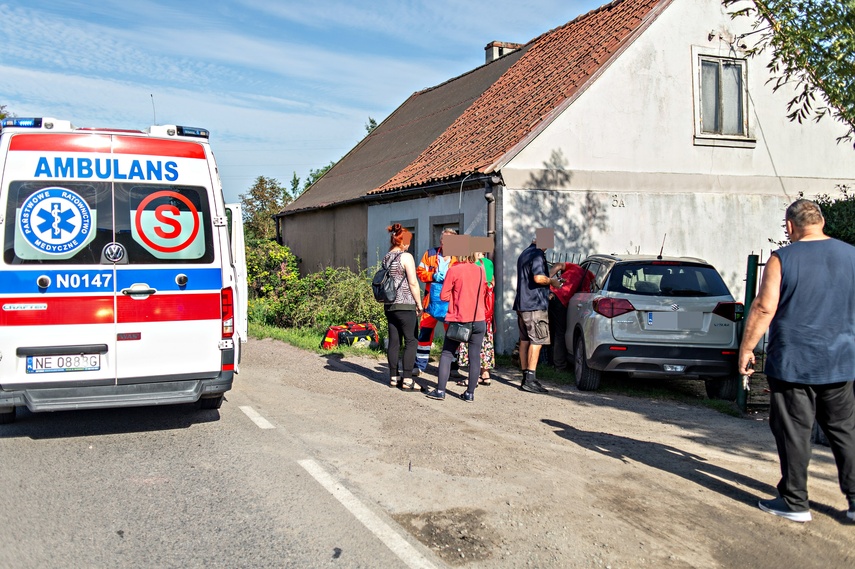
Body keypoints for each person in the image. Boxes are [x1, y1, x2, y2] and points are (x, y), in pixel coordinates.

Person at [738, 199, 855, 523]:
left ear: (789, 226)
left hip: (794, 362)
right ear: (822, 222)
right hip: (841, 361)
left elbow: (764, 307)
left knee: (794, 431)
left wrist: (747, 349)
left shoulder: (782, 259)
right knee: (845, 431)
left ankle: (794, 501)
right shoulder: (852, 256)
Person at [425, 252, 487, 402]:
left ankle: (440, 391)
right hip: (479, 319)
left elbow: (444, 296)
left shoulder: (454, 270)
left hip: (459, 319)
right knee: (474, 357)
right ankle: (470, 393)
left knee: (447, 354)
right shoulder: (481, 269)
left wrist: (456, 297)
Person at [513, 237, 564, 393]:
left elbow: (529, 280)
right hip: (534, 306)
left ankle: (525, 377)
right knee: (537, 340)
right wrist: (553, 282)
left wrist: (545, 293)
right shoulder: (537, 255)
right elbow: (538, 278)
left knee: (524, 340)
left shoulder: (525, 253)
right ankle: (530, 379)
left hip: (522, 304)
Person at [382, 224, 423, 391]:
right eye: (408, 241)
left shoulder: (387, 256)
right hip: (405, 304)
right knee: (412, 341)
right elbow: (413, 282)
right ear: (403, 241)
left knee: (394, 341)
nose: (409, 244)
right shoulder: (406, 257)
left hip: (389, 304)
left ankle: (393, 377)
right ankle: (407, 379)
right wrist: (419, 304)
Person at [415, 228, 458, 374]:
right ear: (441, 241)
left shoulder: (459, 257)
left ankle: (452, 367)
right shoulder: (430, 254)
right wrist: (434, 276)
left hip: (451, 303)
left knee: (452, 333)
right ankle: (420, 365)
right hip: (430, 301)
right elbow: (420, 272)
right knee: (425, 332)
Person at [457, 252, 495, 385]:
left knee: (471, 344)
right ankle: (485, 374)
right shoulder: (488, 263)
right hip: (486, 312)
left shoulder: (469, 266)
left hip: (471, 311)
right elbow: (492, 282)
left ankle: (473, 377)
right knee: (486, 341)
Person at [547, 263, 592, 371]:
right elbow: (585, 294)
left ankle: (548, 361)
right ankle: (560, 365)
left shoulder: (574, 267)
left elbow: (558, 265)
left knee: (549, 329)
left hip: (550, 293)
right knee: (559, 332)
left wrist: (548, 279)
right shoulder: (587, 276)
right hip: (561, 300)